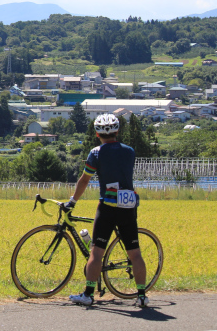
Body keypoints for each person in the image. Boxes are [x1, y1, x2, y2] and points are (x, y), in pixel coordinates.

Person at [65, 113, 148, 307]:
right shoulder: (129, 151)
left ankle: (88, 294)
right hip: (128, 206)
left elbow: (85, 179)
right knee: (135, 254)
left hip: (108, 206)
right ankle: (142, 295)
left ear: (97, 133)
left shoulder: (96, 153)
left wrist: (72, 201)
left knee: (96, 253)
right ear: (117, 131)